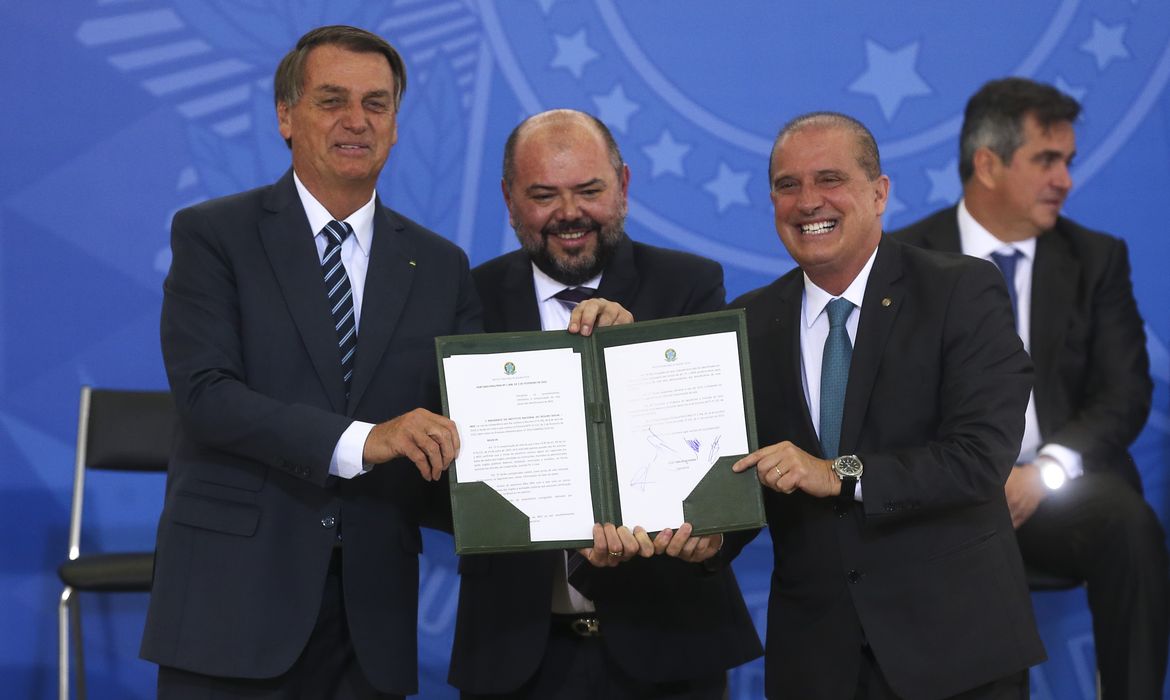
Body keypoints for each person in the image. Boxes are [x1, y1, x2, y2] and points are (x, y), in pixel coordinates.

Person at [140, 27, 623, 698]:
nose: (355, 121)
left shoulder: (439, 266)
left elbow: (477, 429)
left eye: (376, 103)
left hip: (372, 621)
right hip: (234, 603)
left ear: (396, 125)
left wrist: (591, 466)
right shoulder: (213, 235)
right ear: (286, 115)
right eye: (331, 100)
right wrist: (368, 440)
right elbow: (208, 396)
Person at [723, 111, 1046, 699]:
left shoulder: (961, 290)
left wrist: (838, 474)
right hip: (816, 661)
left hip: (955, 652)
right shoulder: (747, 321)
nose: (807, 202)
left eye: (830, 179)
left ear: (879, 192)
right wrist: (693, 535)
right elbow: (743, 476)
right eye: (786, 185)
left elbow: (979, 458)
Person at [447, 109, 762, 699]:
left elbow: (724, 449)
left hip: (668, 647)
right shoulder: (468, 298)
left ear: (623, 184)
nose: (569, 213)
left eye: (589, 190)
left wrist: (629, 350)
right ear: (509, 199)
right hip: (513, 655)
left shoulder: (689, 285)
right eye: (544, 194)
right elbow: (439, 474)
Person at [892, 77, 1169, 699]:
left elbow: (1124, 394)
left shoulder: (1096, 259)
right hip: (949, 493)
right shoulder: (904, 259)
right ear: (987, 164)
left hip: (1060, 488)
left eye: (1068, 161)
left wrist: (1043, 470)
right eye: (1048, 160)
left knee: (1131, 527)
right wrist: (968, 476)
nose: (1066, 179)